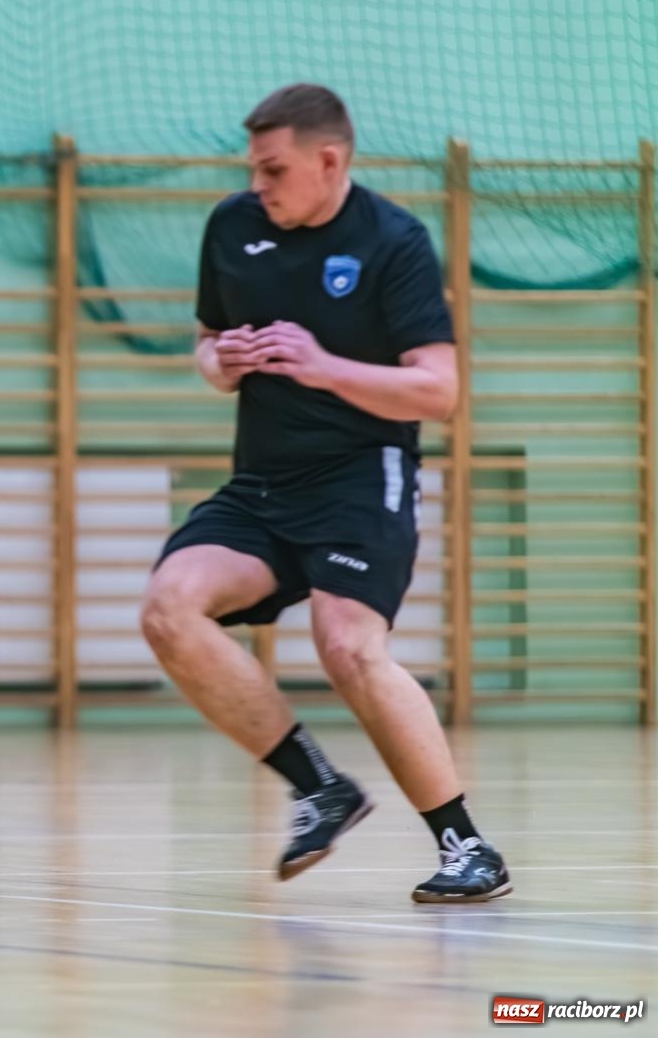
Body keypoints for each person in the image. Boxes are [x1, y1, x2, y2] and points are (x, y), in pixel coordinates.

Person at [141, 85, 510, 902]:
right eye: (255, 170)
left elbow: (439, 390)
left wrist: (324, 367)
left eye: (275, 170)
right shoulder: (234, 227)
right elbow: (205, 348)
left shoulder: (393, 241)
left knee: (345, 643)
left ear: (330, 160)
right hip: (263, 485)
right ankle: (321, 789)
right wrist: (220, 363)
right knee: (169, 607)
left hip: (359, 473)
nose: (261, 185)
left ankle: (466, 845)